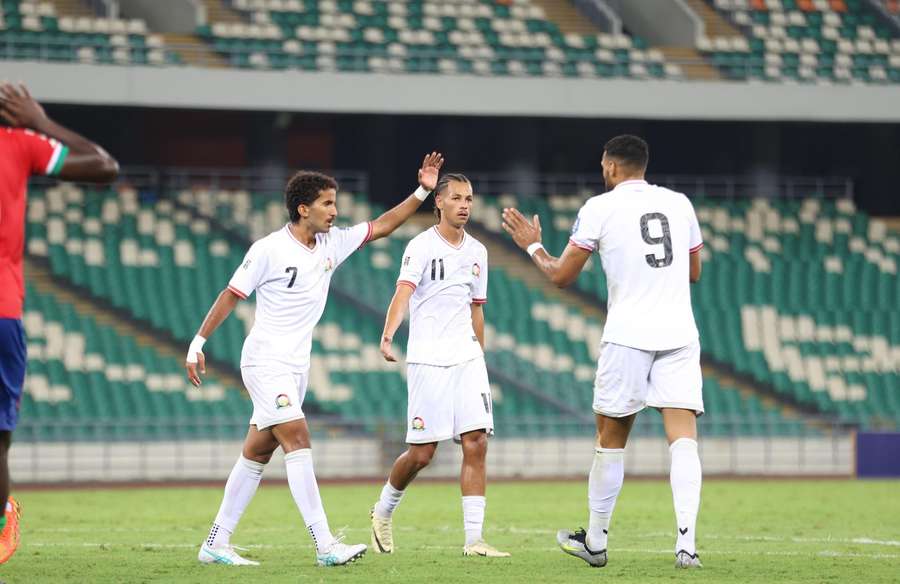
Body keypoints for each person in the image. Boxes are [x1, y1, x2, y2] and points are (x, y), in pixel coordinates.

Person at [186, 153, 445, 567]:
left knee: (257, 452)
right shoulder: (268, 249)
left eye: (335, 203)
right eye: (327, 203)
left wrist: (423, 190)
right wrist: (197, 342)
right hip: (265, 360)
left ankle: (216, 542)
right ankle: (325, 544)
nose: (335, 212)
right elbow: (232, 294)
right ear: (303, 208)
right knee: (299, 439)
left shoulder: (333, 243)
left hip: (297, 366)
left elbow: (385, 224)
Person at [501, 135, 705, 569]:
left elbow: (561, 275)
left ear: (611, 166)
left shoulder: (600, 208)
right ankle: (686, 545)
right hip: (680, 333)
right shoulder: (680, 203)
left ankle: (595, 541)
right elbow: (694, 270)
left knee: (611, 442)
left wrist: (532, 246)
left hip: (628, 334)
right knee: (683, 440)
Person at [0, 82, 119, 564]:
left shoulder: (15, 144)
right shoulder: (20, 141)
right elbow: (104, 165)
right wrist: (40, 121)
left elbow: (107, 169)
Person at [370, 173, 509, 559]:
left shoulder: (478, 251)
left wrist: (479, 354)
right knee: (422, 454)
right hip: (428, 358)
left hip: (466, 357)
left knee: (476, 441)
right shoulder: (420, 246)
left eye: (470, 198)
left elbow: (477, 310)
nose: (465, 204)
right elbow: (403, 292)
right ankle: (382, 511)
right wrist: (388, 334)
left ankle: (474, 539)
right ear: (440, 203)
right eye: (458, 198)